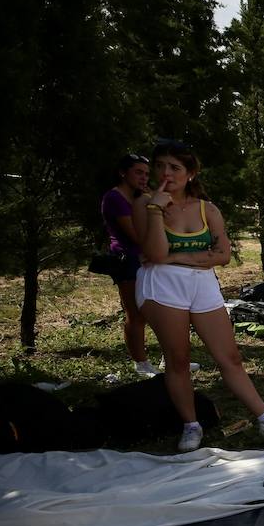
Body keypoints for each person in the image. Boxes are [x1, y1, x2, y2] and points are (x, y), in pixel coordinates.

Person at [131, 141, 264, 452]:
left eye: (175, 167)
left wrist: (176, 258)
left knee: (229, 356)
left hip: (202, 284)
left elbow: (223, 255)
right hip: (162, 287)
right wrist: (157, 210)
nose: (166, 173)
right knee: (179, 359)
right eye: (160, 166)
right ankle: (191, 424)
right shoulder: (145, 205)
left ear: (190, 173)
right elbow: (155, 253)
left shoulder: (207, 209)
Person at [101, 153, 158, 376]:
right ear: (123, 173)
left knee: (157, 310)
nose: (144, 177)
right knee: (135, 314)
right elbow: (136, 234)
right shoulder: (114, 198)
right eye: (138, 172)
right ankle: (141, 364)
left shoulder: (141, 196)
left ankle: (169, 358)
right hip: (128, 260)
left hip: (147, 259)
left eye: (146, 173)